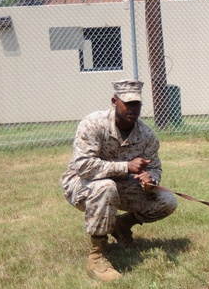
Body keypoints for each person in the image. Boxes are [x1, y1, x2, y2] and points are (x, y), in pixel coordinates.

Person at [61, 79, 178, 282]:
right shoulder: (93, 124)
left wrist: (150, 179)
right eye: (128, 103)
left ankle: (122, 225)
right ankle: (96, 256)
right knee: (106, 187)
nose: (133, 108)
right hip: (81, 184)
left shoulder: (146, 135)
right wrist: (126, 167)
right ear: (115, 101)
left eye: (137, 104)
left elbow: (155, 167)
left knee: (167, 200)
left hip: (120, 184)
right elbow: (83, 166)